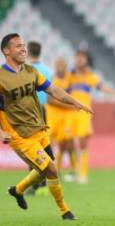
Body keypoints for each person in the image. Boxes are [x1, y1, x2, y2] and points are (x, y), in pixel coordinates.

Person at [0, 33, 92, 220]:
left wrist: (74, 101)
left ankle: (18, 190)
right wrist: (1, 131)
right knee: (51, 169)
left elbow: (53, 89)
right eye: (18, 46)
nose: (23, 49)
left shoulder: (31, 71)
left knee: (43, 172)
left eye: (24, 45)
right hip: (21, 135)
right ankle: (65, 211)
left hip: (40, 130)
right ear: (6, 50)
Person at [69, 50, 115, 184]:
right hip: (69, 112)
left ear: (86, 60)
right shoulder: (69, 74)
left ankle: (82, 173)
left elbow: (102, 87)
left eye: (82, 58)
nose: (79, 60)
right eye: (77, 57)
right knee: (69, 143)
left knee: (82, 142)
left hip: (83, 113)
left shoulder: (90, 76)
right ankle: (74, 171)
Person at [27, 41, 52, 194]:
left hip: (29, 110)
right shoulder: (47, 71)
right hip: (43, 110)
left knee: (30, 146)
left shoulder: (26, 70)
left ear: (28, 52)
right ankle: (48, 177)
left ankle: (35, 182)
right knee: (44, 144)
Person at [45, 57, 77, 180]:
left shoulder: (71, 78)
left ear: (66, 66)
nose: (59, 67)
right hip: (53, 116)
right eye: (57, 65)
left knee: (68, 143)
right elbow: (51, 100)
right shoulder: (53, 79)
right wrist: (70, 104)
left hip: (66, 117)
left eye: (61, 65)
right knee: (50, 143)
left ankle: (72, 171)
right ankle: (52, 171)